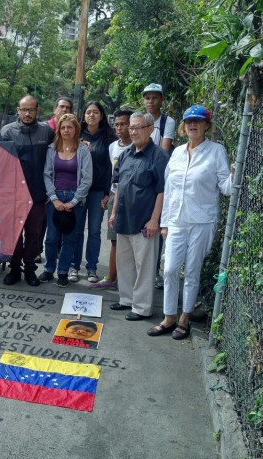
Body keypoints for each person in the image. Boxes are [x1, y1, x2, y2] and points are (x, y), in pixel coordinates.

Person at [147, 105, 232, 340]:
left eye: (198, 121)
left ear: (207, 125)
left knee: (192, 272)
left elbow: (226, 188)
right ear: (184, 127)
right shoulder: (177, 152)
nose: (193, 124)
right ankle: (168, 317)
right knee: (171, 270)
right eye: (188, 121)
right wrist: (164, 222)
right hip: (175, 220)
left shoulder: (216, 151)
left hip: (202, 221)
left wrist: (234, 174)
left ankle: (184, 318)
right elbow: (169, 188)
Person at [108, 112, 167, 320]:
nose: (133, 132)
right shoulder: (125, 154)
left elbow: (162, 190)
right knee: (125, 263)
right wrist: (114, 212)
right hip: (123, 218)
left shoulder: (159, 156)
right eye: (131, 128)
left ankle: (141, 308)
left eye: (138, 127)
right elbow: (119, 186)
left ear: (150, 129)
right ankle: (126, 299)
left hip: (144, 221)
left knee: (144, 267)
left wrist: (154, 220)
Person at [0, 95, 55, 287]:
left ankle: (30, 269)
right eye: (24, 109)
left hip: (38, 195)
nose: (27, 113)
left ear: (38, 111)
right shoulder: (7, 132)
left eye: (31, 109)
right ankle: (14, 268)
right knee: (15, 234)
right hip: (14, 195)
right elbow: (2, 165)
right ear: (17, 110)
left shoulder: (47, 132)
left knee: (34, 235)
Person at [39, 113, 92, 288]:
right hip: (54, 198)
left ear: (76, 129)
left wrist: (74, 201)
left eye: (70, 127)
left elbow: (87, 179)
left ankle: (63, 272)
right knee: (52, 237)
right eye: (63, 127)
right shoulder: (51, 149)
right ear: (59, 130)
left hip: (74, 199)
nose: (66, 130)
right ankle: (48, 269)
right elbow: (46, 174)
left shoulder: (83, 150)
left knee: (70, 238)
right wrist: (53, 198)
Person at [69, 101, 115, 284]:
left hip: (98, 192)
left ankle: (92, 267)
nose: (91, 115)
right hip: (79, 191)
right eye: (88, 112)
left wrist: (107, 193)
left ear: (101, 116)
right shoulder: (77, 135)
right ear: (84, 115)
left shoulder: (109, 138)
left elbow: (112, 168)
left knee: (95, 230)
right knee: (77, 229)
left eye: (95, 112)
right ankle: (74, 265)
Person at [90, 109, 133, 290]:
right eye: (117, 124)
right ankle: (111, 277)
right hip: (115, 196)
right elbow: (112, 174)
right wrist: (109, 194)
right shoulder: (113, 147)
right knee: (114, 238)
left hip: (135, 197)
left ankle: (129, 280)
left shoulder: (139, 146)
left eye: (124, 124)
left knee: (132, 241)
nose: (120, 128)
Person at [143, 83, 177, 289]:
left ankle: (154, 271)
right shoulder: (141, 119)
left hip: (159, 176)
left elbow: (163, 150)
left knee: (156, 222)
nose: (150, 101)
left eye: (155, 97)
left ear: (161, 100)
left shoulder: (167, 121)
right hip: (141, 177)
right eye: (147, 98)